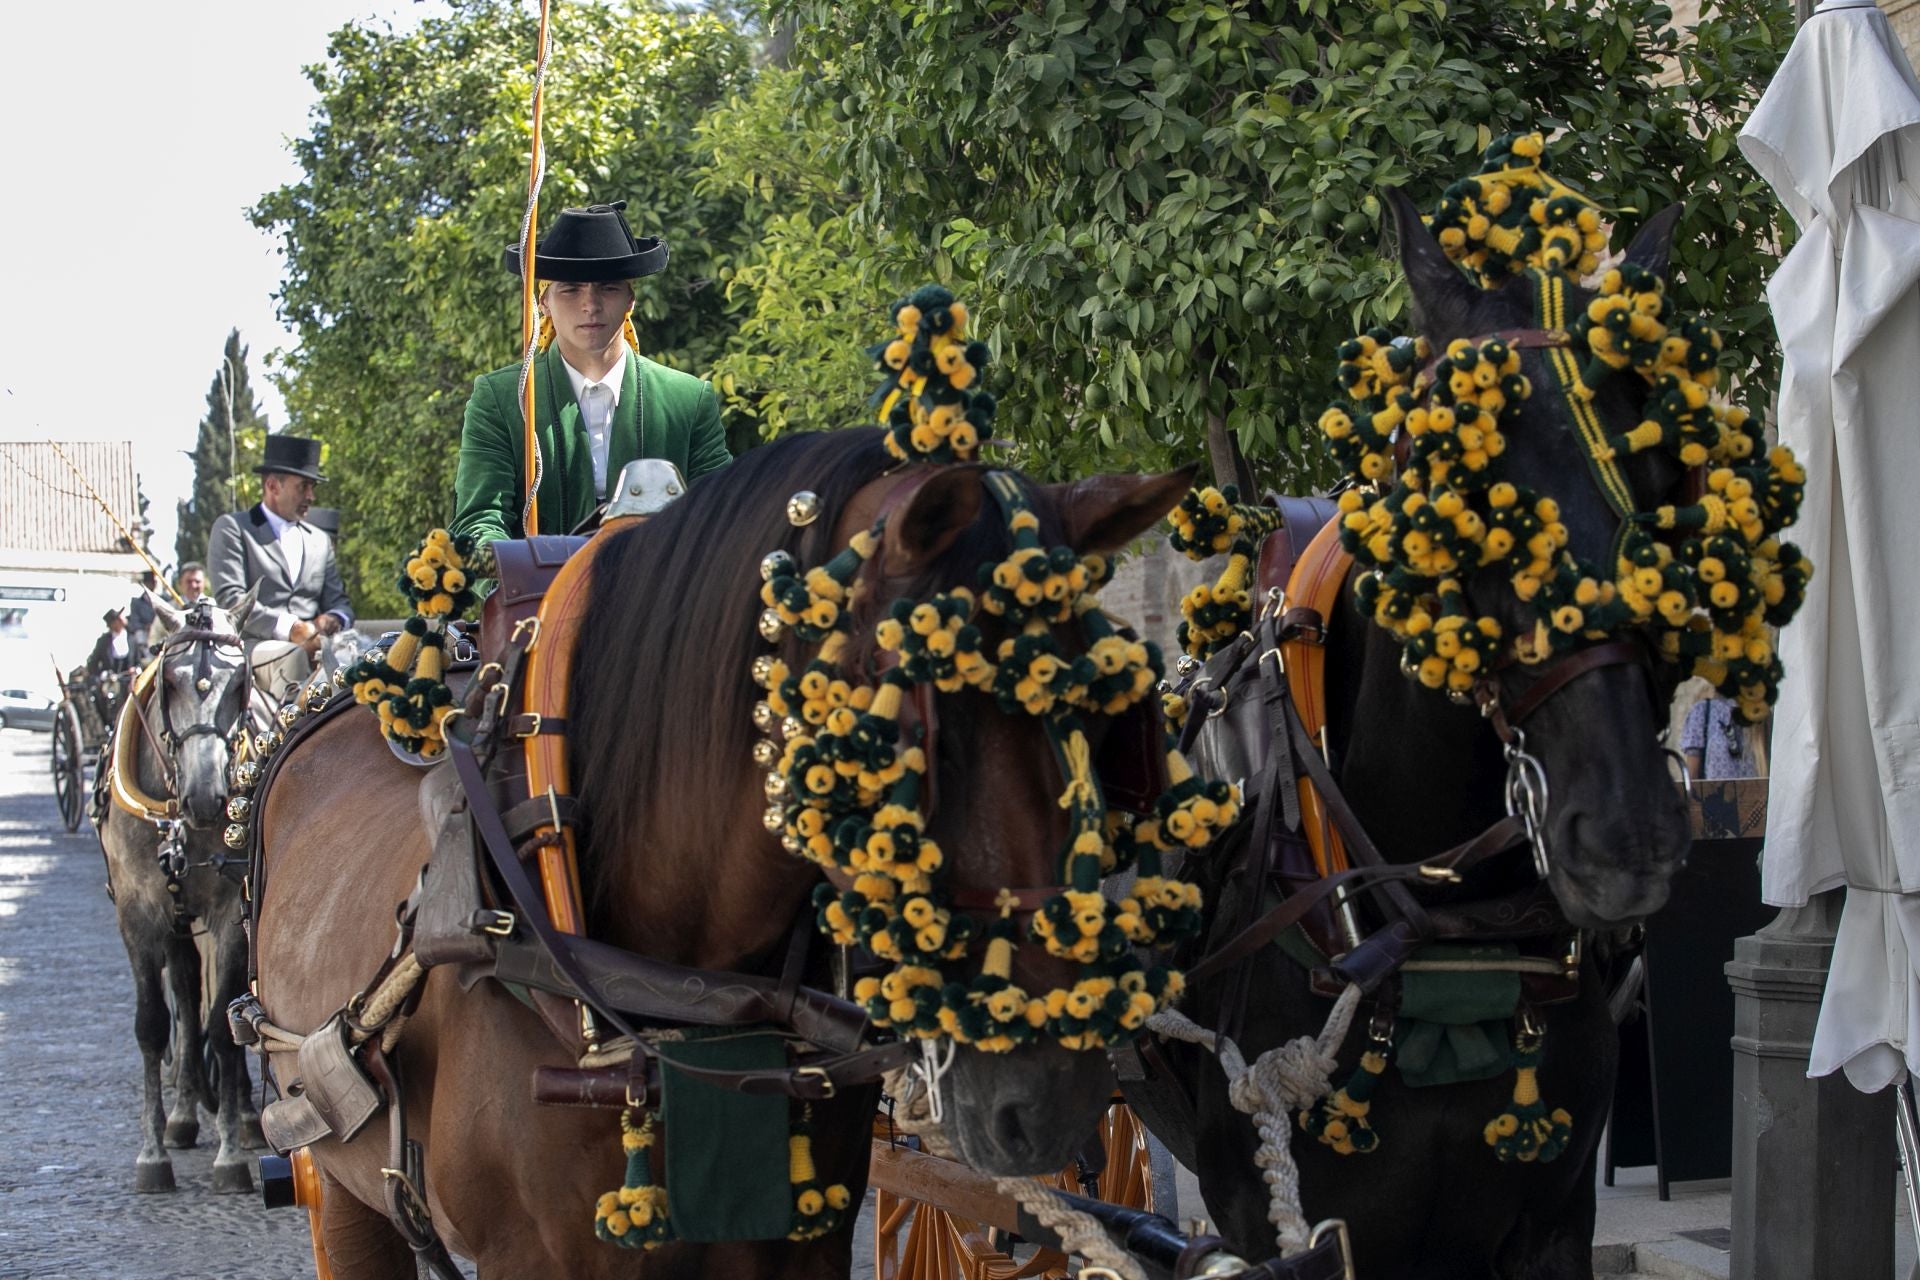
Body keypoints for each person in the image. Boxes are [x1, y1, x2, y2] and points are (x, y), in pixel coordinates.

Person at [450, 201, 731, 549]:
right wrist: (524, 578)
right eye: (570, 289)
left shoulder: (688, 400)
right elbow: (477, 521)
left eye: (608, 287)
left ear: (630, 298)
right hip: (542, 597)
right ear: (544, 302)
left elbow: (722, 516)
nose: (590, 305)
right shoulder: (502, 397)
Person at [207, 435, 354, 701]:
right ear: (273, 486)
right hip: (253, 649)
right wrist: (292, 629)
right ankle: (291, 740)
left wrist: (333, 619)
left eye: (312, 487)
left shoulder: (319, 541)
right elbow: (232, 602)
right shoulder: (233, 529)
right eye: (303, 487)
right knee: (292, 656)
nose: (311, 496)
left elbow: (341, 603)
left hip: (320, 646)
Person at [86, 608, 134, 728]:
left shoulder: (130, 639)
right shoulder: (104, 641)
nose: (123, 619)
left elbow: (137, 660)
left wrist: (135, 669)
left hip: (129, 679)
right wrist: (104, 675)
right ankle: (110, 724)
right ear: (114, 623)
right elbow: (92, 663)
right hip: (111, 681)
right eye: (119, 618)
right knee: (109, 696)